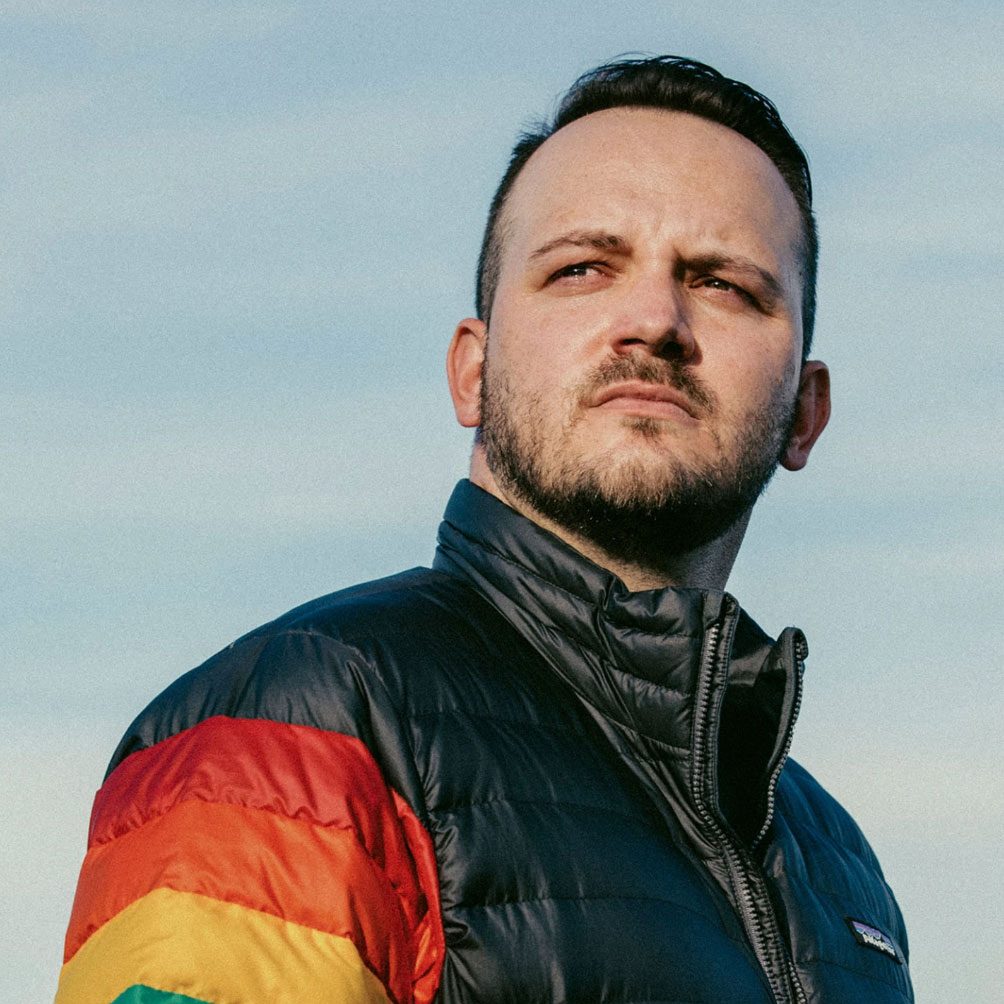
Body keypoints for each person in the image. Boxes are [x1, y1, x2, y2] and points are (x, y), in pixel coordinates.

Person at [58, 56, 914, 1003]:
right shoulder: (296, 726)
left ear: (805, 413)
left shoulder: (841, 870)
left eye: (723, 285)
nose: (653, 320)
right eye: (581, 268)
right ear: (473, 371)